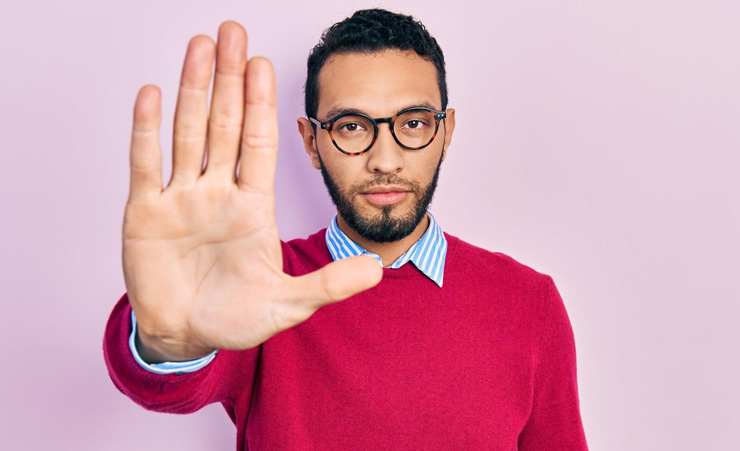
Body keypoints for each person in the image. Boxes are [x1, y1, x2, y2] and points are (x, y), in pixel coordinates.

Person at [103, 8, 589, 450]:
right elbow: (168, 381)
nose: (384, 160)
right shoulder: (260, 281)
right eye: (352, 126)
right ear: (312, 142)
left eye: (414, 123)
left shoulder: (529, 304)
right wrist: (167, 344)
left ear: (445, 133)